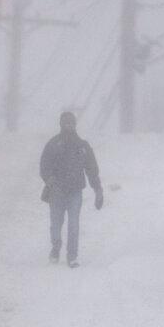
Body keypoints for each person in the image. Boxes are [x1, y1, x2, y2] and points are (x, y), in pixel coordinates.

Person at [39, 111, 103, 268]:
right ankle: (56, 247)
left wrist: (98, 190)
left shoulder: (82, 146)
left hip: (75, 192)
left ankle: (72, 256)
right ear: (61, 124)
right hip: (57, 191)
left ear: (75, 124)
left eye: (71, 123)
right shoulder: (53, 144)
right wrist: (50, 181)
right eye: (66, 123)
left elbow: (92, 169)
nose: (69, 126)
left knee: (74, 224)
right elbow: (44, 166)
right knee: (56, 224)